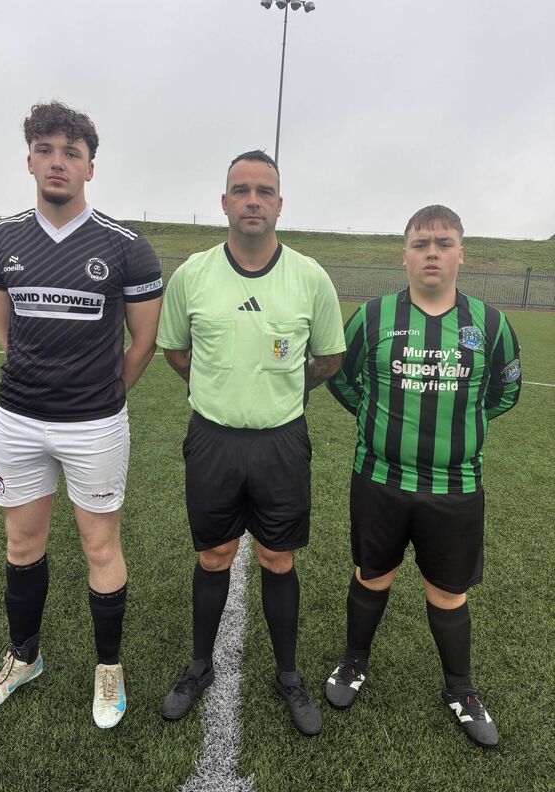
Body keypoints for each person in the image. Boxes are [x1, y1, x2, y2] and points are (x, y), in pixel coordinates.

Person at [0, 101, 163, 729]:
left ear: (90, 168)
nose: (58, 162)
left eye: (71, 152)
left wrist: (102, 398)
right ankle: (24, 656)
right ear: (29, 160)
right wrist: (38, 386)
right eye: (46, 150)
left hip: (95, 425)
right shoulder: (0, 239)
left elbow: (142, 344)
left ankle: (108, 668)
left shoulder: (126, 247)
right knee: (22, 543)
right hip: (18, 419)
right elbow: (6, 330)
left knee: (99, 545)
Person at [156, 150, 345, 736]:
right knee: (213, 555)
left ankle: (288, 674)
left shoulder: (310, 277)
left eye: (265, 190)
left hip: (281, 444)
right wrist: (217, 387)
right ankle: (198, 666)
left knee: (276, 557)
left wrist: (281, 392)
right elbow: (176, 352)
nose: (253, 199)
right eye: (241, 189)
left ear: (280, 204)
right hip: (212, 440)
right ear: (225, 202)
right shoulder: (192, 274)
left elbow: (330, 358)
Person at [325, 204, 521, 748]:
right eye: (420, 243)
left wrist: (465, 425)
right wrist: (375, 417)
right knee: (371, 575)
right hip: (380, 480)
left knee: (449, 592)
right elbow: (342, 380)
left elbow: (505, 393)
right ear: (404, 256)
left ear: (461, 253)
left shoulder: (491, 324)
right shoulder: (372, 317)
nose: (431, 252)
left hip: (456, 488)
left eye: (442, 242)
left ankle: (460, 688)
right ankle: (353, 663)